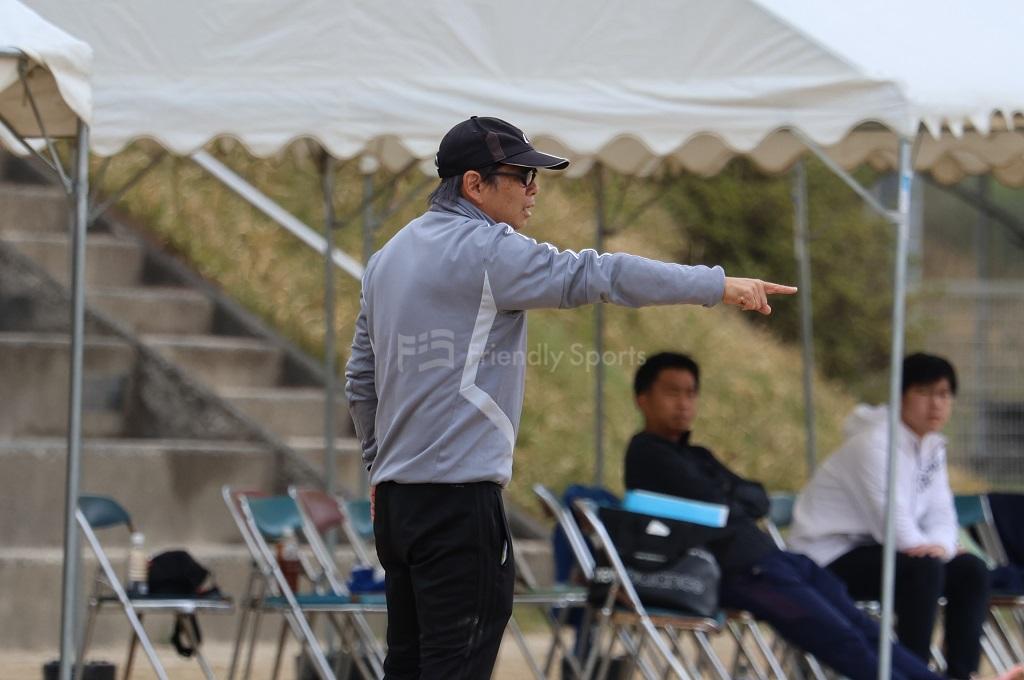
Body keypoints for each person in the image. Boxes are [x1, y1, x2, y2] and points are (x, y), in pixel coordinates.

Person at [344, 115, 797, 679]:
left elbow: (360, 381)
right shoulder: (488, 249)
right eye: (522, 176)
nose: (534, 190)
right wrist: (717, 285)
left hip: (398, 505)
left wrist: (378, 468)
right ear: (474, 184)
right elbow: (601, 275)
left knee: (407, 665)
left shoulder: (386, 258)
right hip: (458, 502)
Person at [624, 352, 1020, 680]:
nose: (684, 403)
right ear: (642, 398)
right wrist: (731, 497)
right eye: (672, 392)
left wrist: (731, 499)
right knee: (839, 635)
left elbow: (757, 500)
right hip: (733, 570)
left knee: (862, 628)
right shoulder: (646, 453)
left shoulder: (697, 455)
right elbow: (725, 502)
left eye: (691, 393)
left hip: (773, 559)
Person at [788, 353, 992, 680]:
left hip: (883, 552)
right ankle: (911, 673)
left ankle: (961, 674)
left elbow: (942, 514)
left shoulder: (932, 447)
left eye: (943, 394)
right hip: (826, 557)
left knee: (971, 570)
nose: (936, 404)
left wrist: (942, 547)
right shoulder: (874, 443)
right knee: (923, 569)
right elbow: (893, 525)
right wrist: (933, 551)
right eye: (924, 392)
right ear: (900, 395)